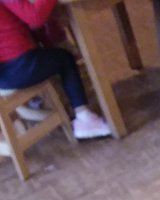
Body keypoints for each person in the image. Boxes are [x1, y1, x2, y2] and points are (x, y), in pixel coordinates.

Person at [0, 0, 111, 140]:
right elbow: (35, 17)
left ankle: (39, 103)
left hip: (5, 76)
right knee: (65, 59)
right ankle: (84, 117)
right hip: (20, 67)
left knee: (49, 52)